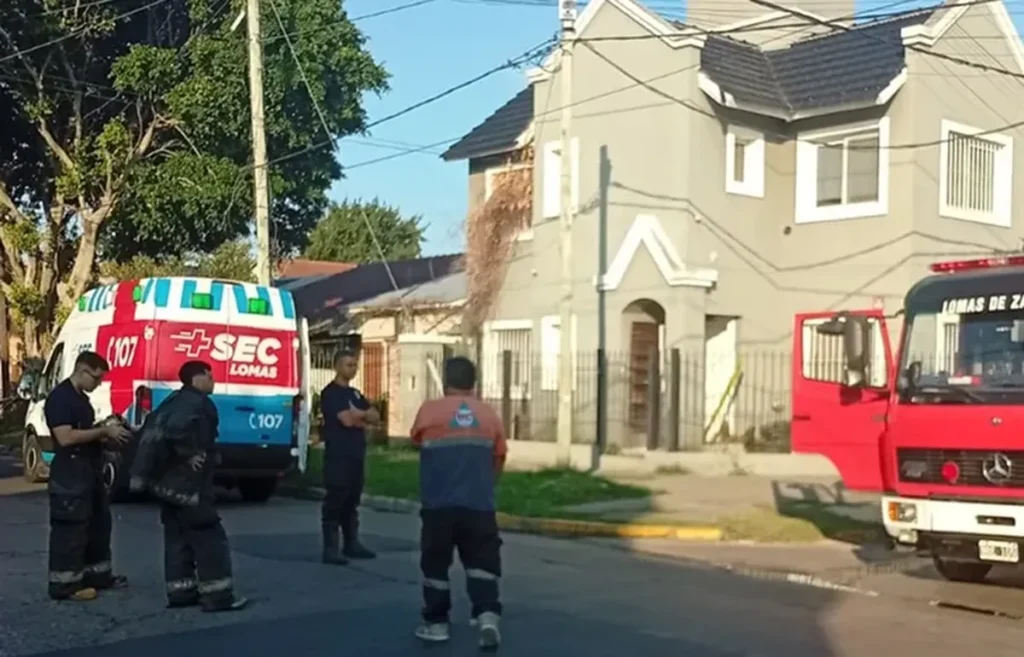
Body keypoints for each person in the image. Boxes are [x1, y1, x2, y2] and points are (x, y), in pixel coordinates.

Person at [131, 361, 248, 612]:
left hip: (166, 484)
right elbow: (178, 432)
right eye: (210, 376)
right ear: (198, 378)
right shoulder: (199, 404)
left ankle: (180, 592)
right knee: (208, 535)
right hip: (190, 484)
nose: (213, 381)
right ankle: (218, 596)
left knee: (177, 536)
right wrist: (189, 452)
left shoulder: (174, 400)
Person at [409, 356, 507, 650]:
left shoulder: (429, 411)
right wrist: (486, 484)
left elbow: (416, 440)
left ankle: (437, 623)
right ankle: (487, 616)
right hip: (479, 505)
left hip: (438, 505)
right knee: (482, 563)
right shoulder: (489, 414)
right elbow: (499, 456)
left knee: (436, 564)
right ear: (474, 382)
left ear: (446, 380)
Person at [45, 350, 132, 601]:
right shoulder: (61, 398)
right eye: (96, 378)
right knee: (71, 529)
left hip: (89, 470)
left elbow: (84, 431)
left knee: (98, 524)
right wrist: (103, 432)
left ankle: (97, 576)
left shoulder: (81, 399)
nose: (99, 383)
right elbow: (66, 437)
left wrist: (106, 430)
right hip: (70, 473)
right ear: (82, 370)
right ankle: (65, 585)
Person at [319, 349, 379, 564]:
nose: (353, 369)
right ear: (337, 366)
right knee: (335, 501)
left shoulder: (355, 394)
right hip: (338, 455)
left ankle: (351, 543)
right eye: (348, 365)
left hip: (356, 455)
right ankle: (330, 549)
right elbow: (346, 420)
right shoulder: (331, 393)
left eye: (354, 365)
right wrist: (361, 417)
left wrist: (360, 415)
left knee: (352, 501)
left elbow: (375, 416)